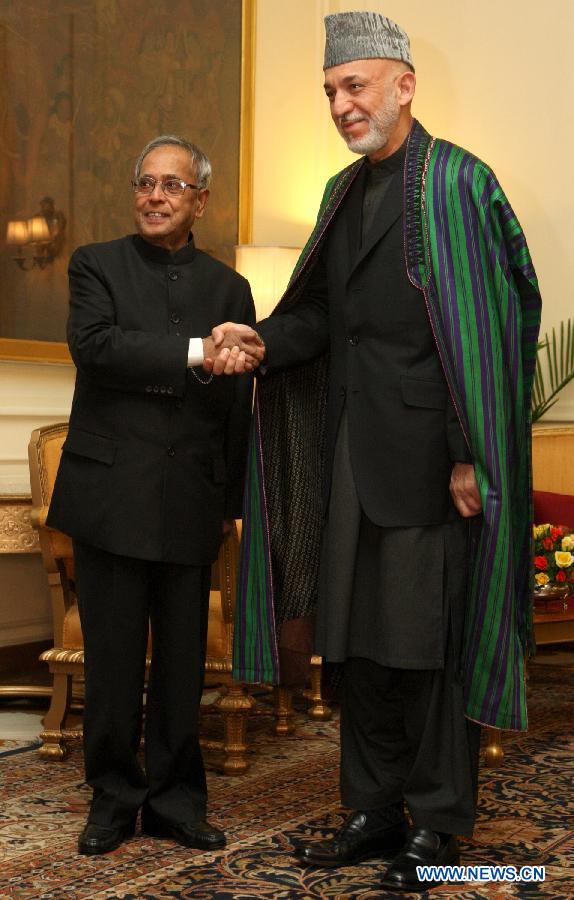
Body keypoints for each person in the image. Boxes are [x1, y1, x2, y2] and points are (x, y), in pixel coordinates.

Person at [206, 11, 541, 892]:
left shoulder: (459, 183)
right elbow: (324, 316)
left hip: (434, 465)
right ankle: (370, 810)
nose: (341, 105)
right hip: (350, 461)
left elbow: (494, 329)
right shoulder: (340, 194)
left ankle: (436, 823)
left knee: (424, 647)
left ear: (402, 84)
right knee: (355, 646)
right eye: (329, 91)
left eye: (353, 85)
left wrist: (474, 456)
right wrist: (266, 341)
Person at [47, 134, 262, 855]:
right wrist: (199, 350)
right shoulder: (95, 266)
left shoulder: (230, 289)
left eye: (172, 185)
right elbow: (98, 348)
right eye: (145, 183)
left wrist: (231, 497)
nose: (155, 196)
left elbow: (237, 405)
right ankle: (112, 799)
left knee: (181, 666)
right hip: (111, 499)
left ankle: (176, 800)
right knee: (111, 663)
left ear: (200, 198)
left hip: (190, 498)